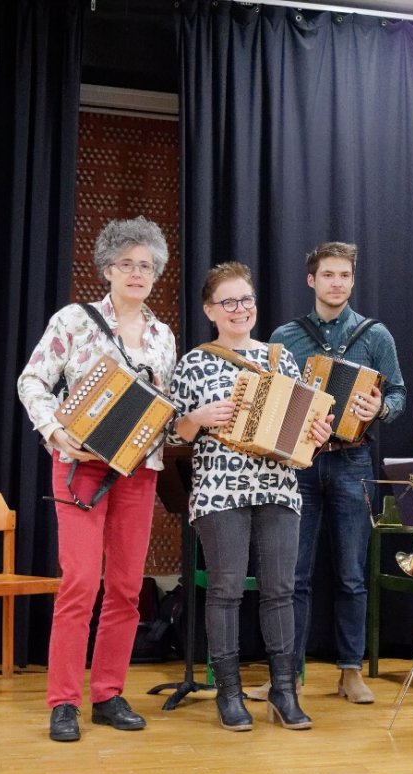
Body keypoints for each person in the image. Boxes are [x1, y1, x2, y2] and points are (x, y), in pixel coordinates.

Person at [17, 216, 176, 742]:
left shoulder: (163, 336)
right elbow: (33, 379)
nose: (137, 273)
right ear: (107, 268)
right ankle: (64, 701)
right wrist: (55, 430)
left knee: (127, 589)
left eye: (146, 265)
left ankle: (108, 693)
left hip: (137, 471)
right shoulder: (74, 320)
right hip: (78, 467)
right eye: (127, 264)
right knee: (81, 583)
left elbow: (163, 410)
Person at [169, 261, 332, 732]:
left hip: (278, 485)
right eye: (229, 302)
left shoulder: (281, 359)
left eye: (246, 300)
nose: (240, 309)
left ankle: (283, 690)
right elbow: (173, 435)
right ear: (210, 310)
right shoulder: (195, 361)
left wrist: (317, 432)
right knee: (225, 591)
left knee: (281, 590)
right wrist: (198, 415)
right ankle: (229, 691)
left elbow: (303, 431)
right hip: (220, 489)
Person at [264, 242, 406, 705]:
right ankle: (289, 675)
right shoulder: (286, 335)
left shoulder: (375, 335)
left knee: (351, 575)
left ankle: (350, 672)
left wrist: (379, 406)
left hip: (352, 460)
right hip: (300, 463)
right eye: (328, 275)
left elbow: (399, 395)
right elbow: (272, 397)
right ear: (312, 280)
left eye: (344, 275)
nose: (337, 283)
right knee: (295, 575)